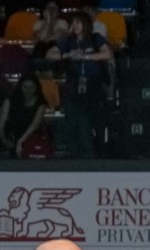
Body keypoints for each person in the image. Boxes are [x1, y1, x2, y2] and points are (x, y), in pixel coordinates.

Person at [47, 12, 113, 158]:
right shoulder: (67, 40)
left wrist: (85, 57)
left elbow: (107, 54)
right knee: (73, 118)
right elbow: (50, 54)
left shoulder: (95, 38)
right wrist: (68, 55)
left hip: (93, 83)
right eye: (73, 23)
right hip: (74, 83)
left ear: (86, 24)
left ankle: (98, 152)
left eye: (78, 22)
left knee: (95, 119)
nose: (75, 26)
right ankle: (75, 153)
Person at [0, 74, 49, 159]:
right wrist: (4, 141)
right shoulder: (9, 101)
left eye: (31, 87)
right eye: (25, 87)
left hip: (32, 137)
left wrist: (21, 141)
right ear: (20, 87)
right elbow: (1, 125)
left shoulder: (40, 103)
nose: (28, 91)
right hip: (12, 137)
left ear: (36, 88)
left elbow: (35, 124)